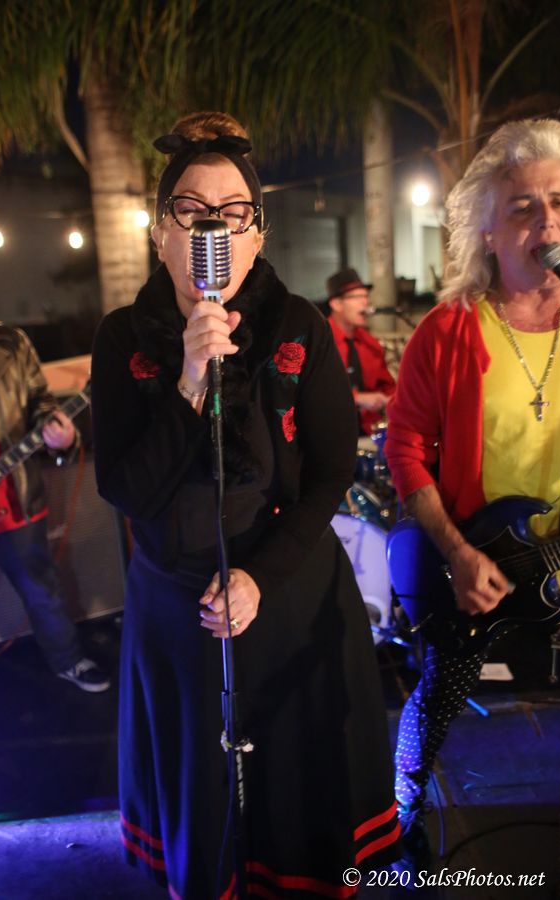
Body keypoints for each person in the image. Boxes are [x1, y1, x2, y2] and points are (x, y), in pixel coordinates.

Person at [91, 111, 400, 898]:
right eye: (193, 212)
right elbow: (124, 489)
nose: (214, 230)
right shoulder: (122, 338)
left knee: (297, 789)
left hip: (290, 590)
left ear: (258, 234)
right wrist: (191, 381)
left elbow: (330, 471)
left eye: (234, 214)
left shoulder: (300, 326)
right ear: (161, 233)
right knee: (204, 793)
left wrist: (259, 576)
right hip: (177, 608)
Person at [384, 117, 560, 878]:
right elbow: (403, 448)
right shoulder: (449, 332)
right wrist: (456, 551)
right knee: (441, 696)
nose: (548, 223)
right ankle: (402, 810)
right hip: (479, 561)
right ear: (488, 233)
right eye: (524, 207)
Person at [0, 314, 111, 719]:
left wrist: (60, 436)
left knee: (42, 591)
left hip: (13, 501)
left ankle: (68, 660)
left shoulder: (5, 342)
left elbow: (40, 402)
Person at [326, 268, 395, 435]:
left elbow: (388, 387)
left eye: (366, 296)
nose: (365, 303)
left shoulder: (370, 344)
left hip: (366, 431)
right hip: (329, 432)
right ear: (336, 304)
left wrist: (392, 399)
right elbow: (316, 392)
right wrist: (357, 398)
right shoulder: (320, 341)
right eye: (357, 297)